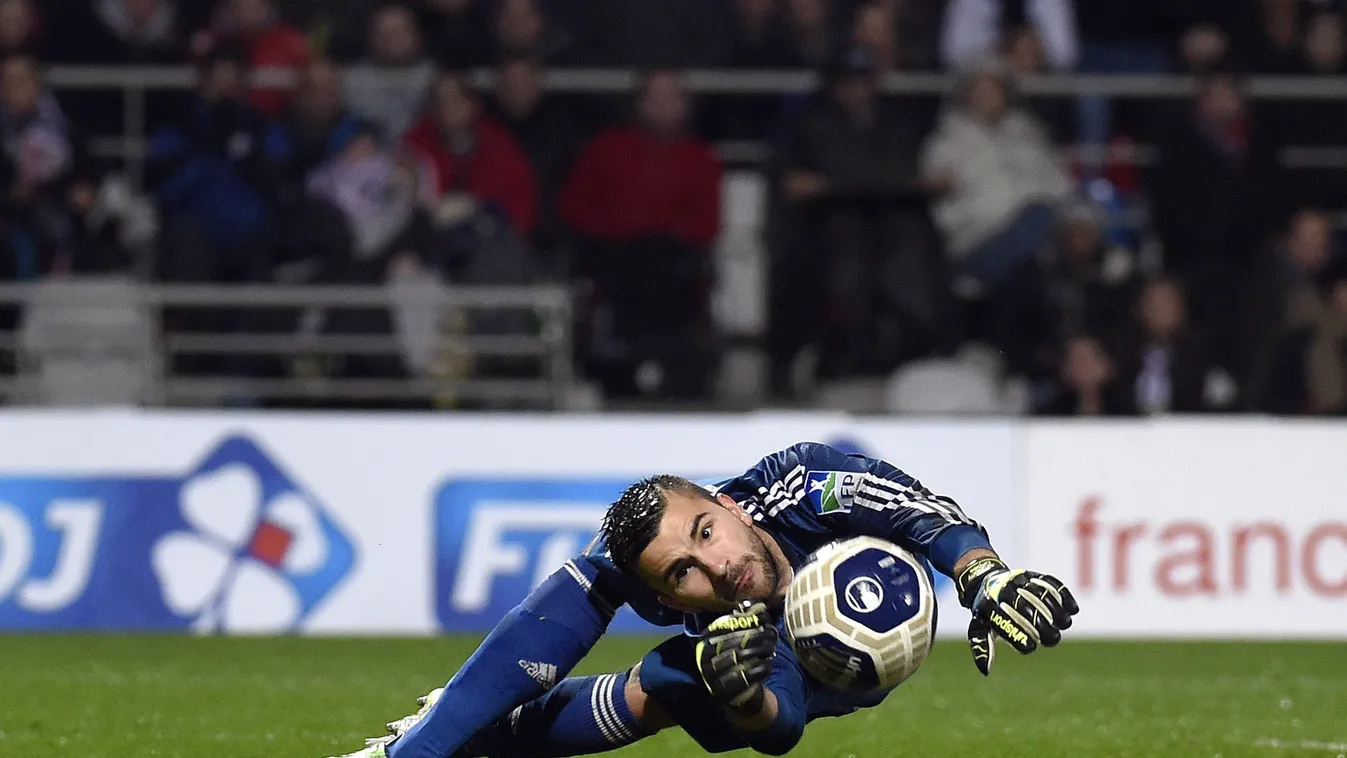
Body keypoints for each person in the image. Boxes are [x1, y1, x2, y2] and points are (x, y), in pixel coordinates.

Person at [328, 442, 1079, 758]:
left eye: (707, 530)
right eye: (681, 572)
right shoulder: (719, 625)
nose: (714, 567)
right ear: (661, 595)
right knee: (664, 683)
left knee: (669, 682)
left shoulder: (799, 485)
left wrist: (985, 577)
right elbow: (778, 730)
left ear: (731, 504)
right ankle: (437, 739)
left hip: (829, 630)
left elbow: (917, 512)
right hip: (753, 662)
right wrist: (741, 691)